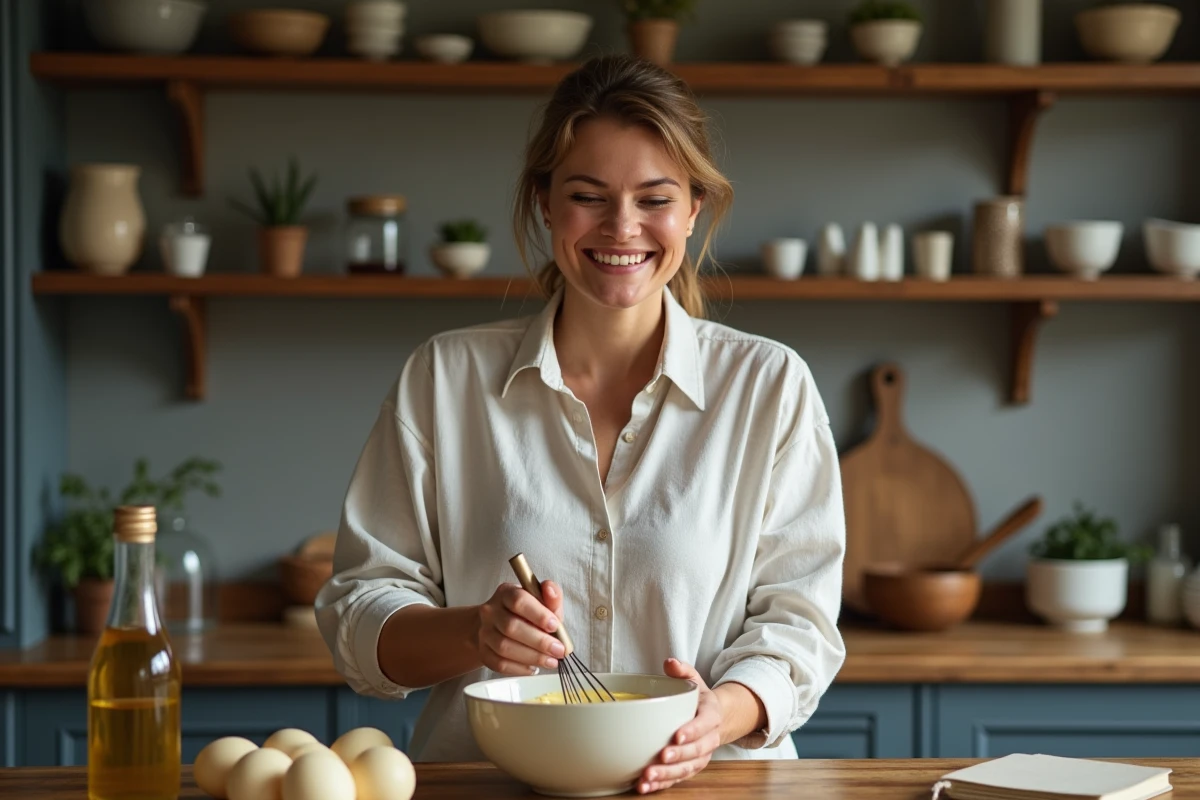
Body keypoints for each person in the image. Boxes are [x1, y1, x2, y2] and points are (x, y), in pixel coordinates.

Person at [315, 53, 846, 795]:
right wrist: (474, 632)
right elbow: (359, 612)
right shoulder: (444, 377)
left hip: (709, 787)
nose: (622, 227)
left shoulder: (770, 385)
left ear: (694, 210)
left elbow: (800, 626)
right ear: (545, 203)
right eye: (588, 196)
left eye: (654, 199)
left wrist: (719, 714)